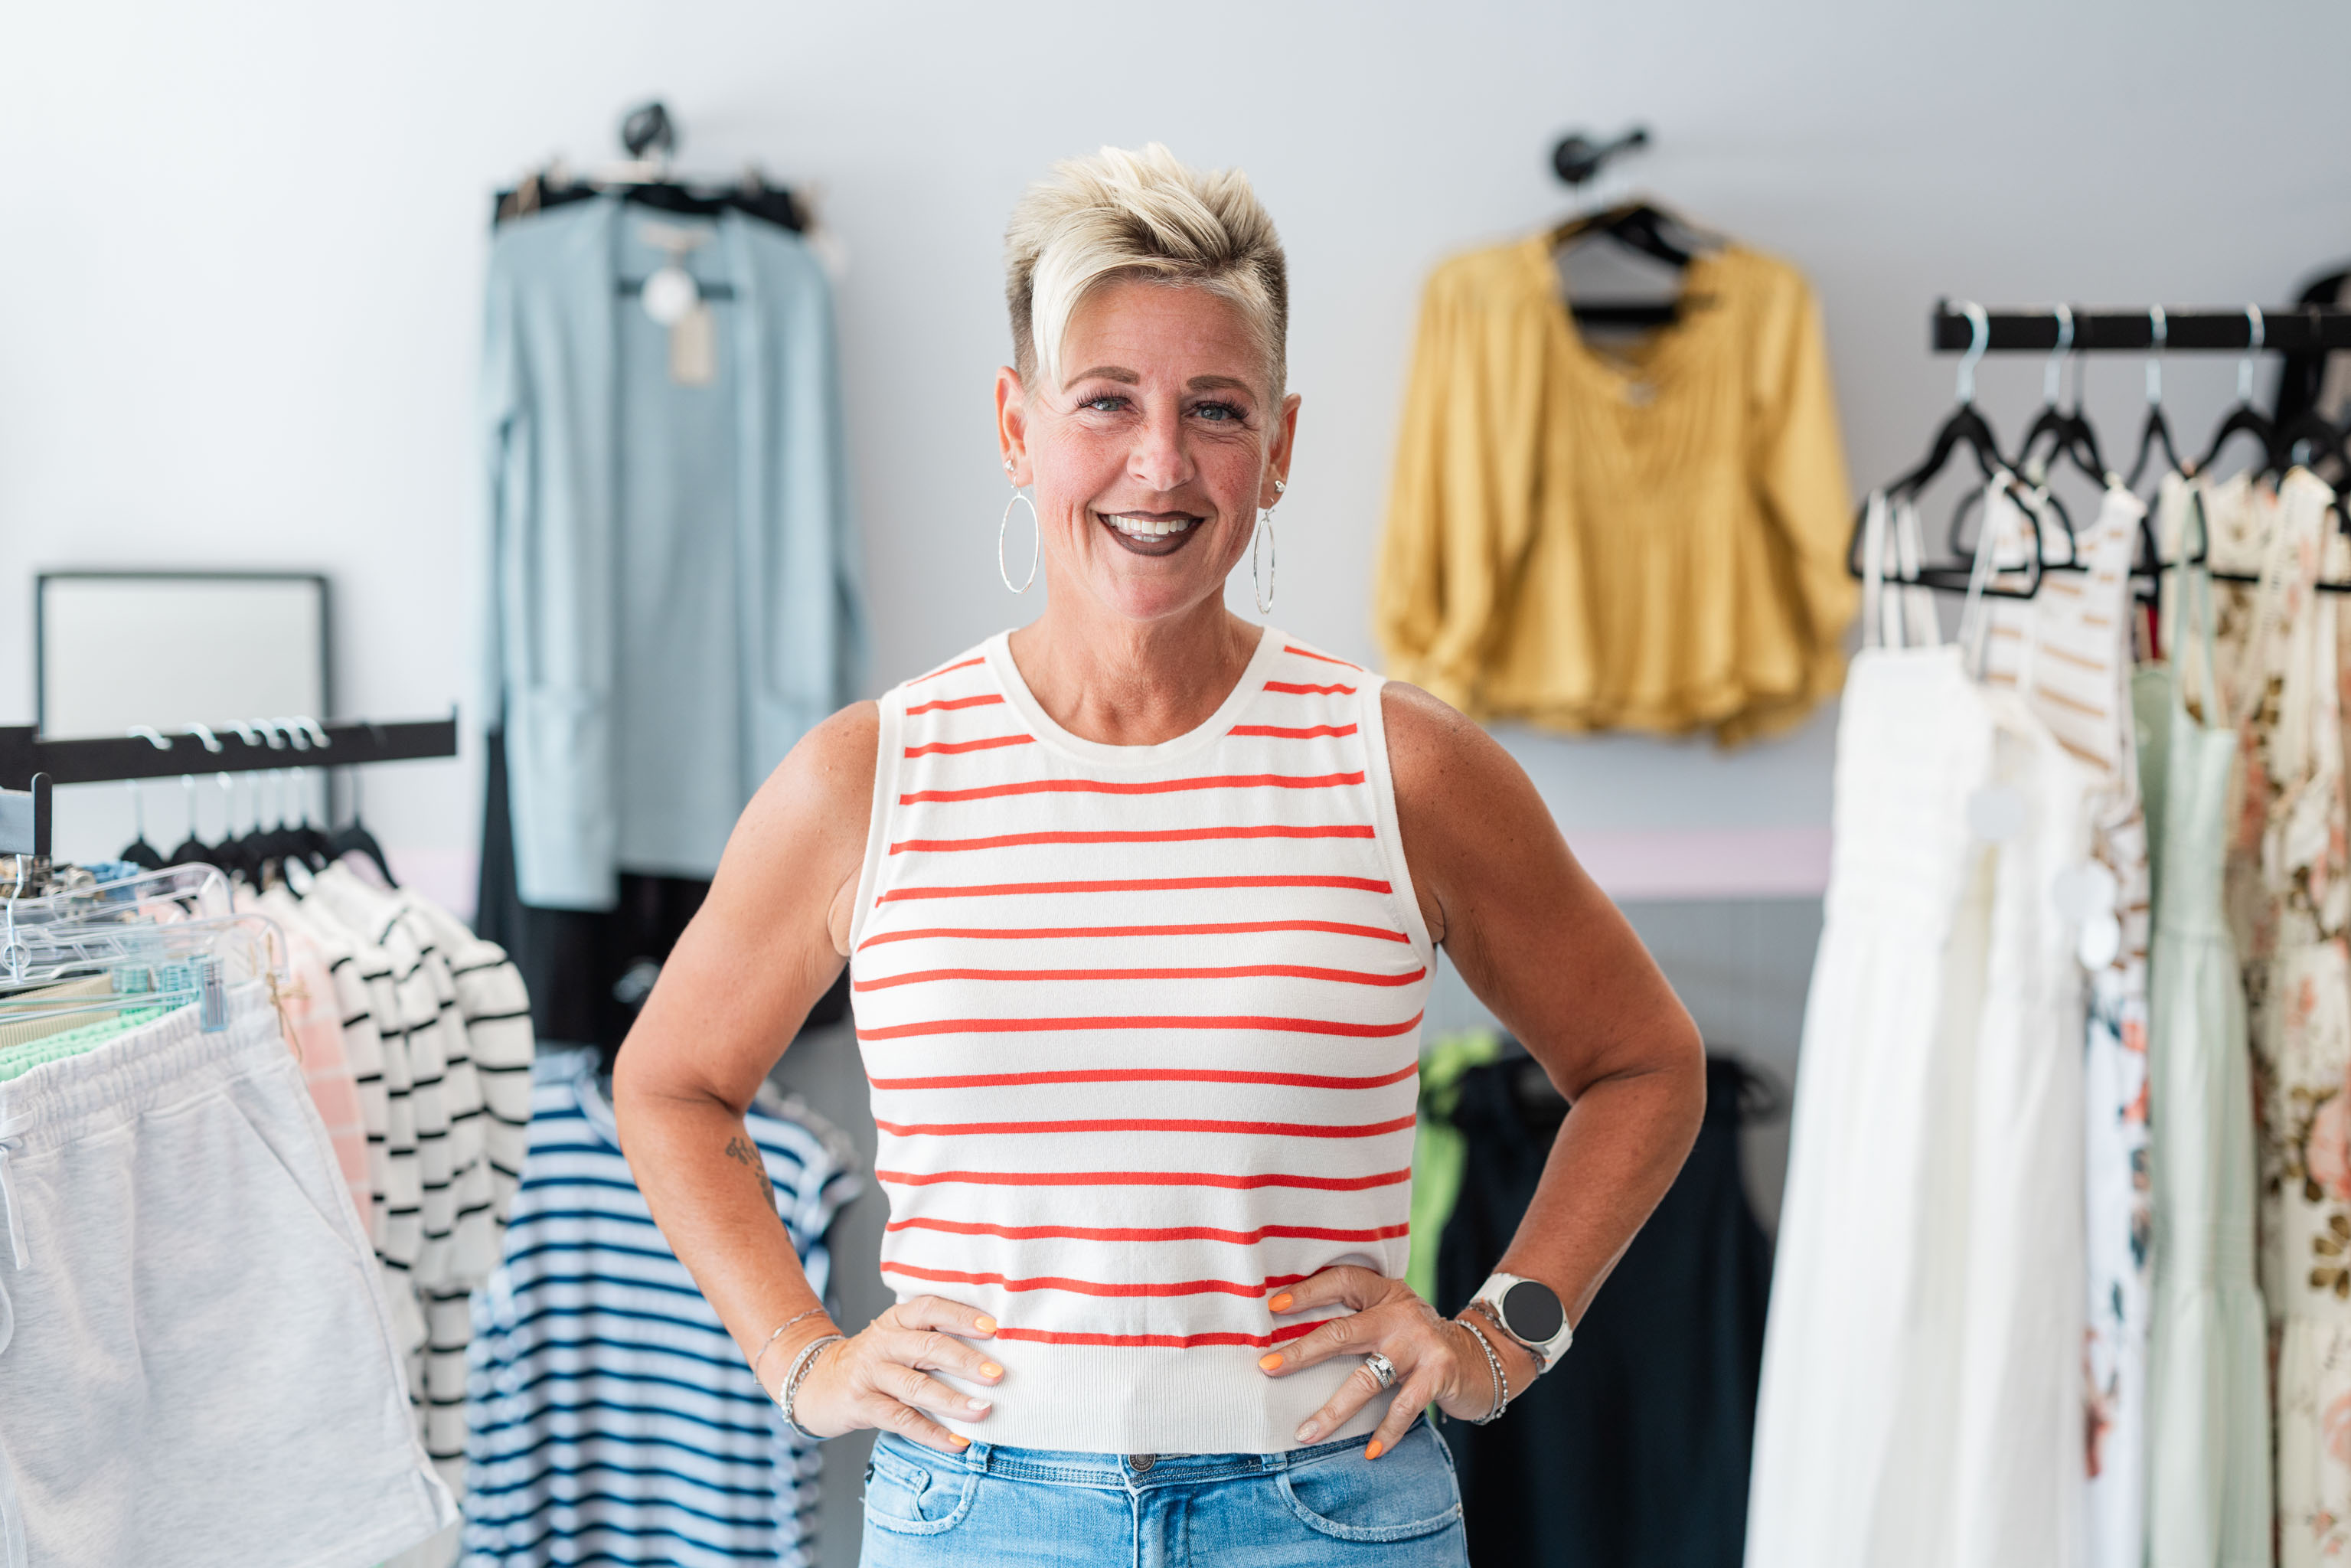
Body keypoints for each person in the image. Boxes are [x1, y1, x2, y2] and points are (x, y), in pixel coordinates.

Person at [614, 142, 1706, 1566]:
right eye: (1106, 402)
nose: (1162, 464)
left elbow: (1644, 1065)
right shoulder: (870, 775)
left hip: (1328, 1517)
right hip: (976, 1521)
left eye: (1216, 409)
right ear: (1016, 427)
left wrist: (1503, 1341)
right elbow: (672, 1084)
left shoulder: (1404, 768)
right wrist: (802, 1357)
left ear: (1281, 446)